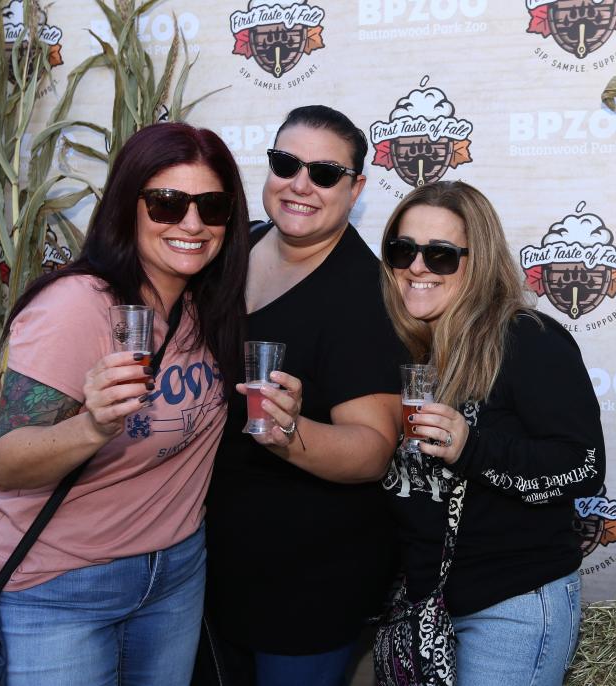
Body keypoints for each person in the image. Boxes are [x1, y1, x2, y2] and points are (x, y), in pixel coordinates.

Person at [0, 122, 250, 686]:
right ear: (128, 207)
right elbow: (8, 462)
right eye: (167, 203)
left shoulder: (206, 309)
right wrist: (93, 426)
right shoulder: (76, 306)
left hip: (175, 574)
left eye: (211, 206)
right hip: (60, 583)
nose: (191, 223)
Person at [200, 105, 407, 686]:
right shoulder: (236, 249)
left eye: (324, 173)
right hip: (211, 563)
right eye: (286, 163)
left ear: (356, 188)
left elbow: (372, 450)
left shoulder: (362, 294)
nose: (300, 184)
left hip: (306, 580)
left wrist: (291, 432)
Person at [378, 180, 605, 685]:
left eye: (440, 255)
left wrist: (473, 448)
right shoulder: (397, 345)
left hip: (512, 605)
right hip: (422, 605)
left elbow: (585, 468)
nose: (417, 267)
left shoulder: (528, 341)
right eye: (403, 250)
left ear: (476, 260)